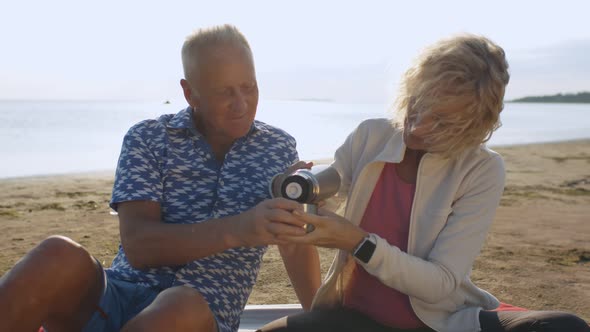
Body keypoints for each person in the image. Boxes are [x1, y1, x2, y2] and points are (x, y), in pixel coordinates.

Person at [0, 24, 320, 332]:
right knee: (56, 253)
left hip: (197, 317)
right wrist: (241, 228)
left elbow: (294, 245)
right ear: (189, 93)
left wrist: (322, 320)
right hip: (118, 295)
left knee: (180, 306)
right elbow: (140, 245)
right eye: (225, 92)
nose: (241, 104)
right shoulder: (149, 138)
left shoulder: (277, 148)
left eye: (249, 87)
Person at [259, 34, 590, 332]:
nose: (416, 127)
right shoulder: (372, 135)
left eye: (441, 121)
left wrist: (359, 242)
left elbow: (442, 283)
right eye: (418, 103)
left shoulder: (481, 168)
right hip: (356, 318)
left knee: (565, 327)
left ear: (472, 127)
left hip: (443, 322)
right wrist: (299, 188)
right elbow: (332, 185)